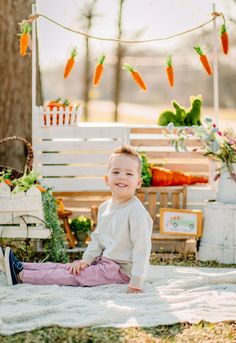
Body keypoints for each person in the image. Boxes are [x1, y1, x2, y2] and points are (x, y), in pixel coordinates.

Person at [2, 145, 153, 293]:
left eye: (129, 174)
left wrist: (137, 281)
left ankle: (22, 276)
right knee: (67, 267)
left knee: (74, 276)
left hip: (121, 270)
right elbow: (98, 239)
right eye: (116, 172)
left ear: (138, 182)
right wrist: (86, 261)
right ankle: (20, 266)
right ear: (107, 179)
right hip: (105, 263)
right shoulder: (105, 208)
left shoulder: (136, 212)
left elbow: (142, 248)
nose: (122, 176)